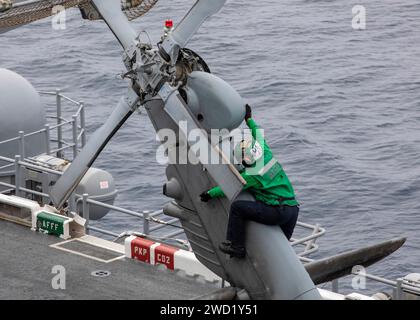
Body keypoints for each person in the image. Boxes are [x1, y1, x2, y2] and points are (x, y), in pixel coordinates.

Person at [199, 104, 299, 258]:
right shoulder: (266, 153)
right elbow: (258, 134)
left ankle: (236, 246)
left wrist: (209, 194)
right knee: (282, 253)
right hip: (293, 210)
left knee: (238, 208)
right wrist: (249, 119)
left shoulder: (252, 175)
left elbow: (230, 187)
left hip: (277, 211)